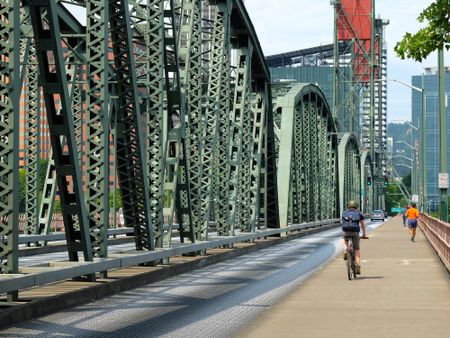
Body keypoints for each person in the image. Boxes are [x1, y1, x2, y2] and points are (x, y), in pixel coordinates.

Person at [341, 200, 367, 274]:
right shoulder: (359, 213)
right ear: (356, 206)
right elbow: (362, 224)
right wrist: (364, 234)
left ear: (349, 206)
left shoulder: (344, 213)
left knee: (345, 239)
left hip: (346, 231)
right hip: (355, 232)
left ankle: (346, 249)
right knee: (357, 249)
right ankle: (358, 266)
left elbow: (343, 223)